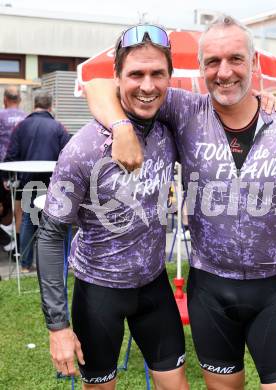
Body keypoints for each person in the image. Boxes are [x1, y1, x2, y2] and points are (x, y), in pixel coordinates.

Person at [86, 16, 276, 389]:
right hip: (210, 294)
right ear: (200, 69)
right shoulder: (185, 110)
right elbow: (99, 84)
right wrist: (122, 129)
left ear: (255, 65)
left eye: (236, 59)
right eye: (212, 62)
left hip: (274, 291)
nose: (224, 72)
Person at [37, 25, 188, 390]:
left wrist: (271, 103)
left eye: (157, 74)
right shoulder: (84, 148)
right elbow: (50, 234)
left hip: (154, 285)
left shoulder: (168, 124)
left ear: (169, 77)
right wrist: (58, 326)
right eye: (136, 74)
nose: (148, 86)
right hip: (98, 292)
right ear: (118, 77)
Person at [4, 92, 69, 273]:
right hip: (52, 181)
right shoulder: (58, 127)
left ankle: (25, 265)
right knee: (53, 220)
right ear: (50, 106)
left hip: (28, 179)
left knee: (27, 219)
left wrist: (6, 178)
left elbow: (11, 154)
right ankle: (53, 263)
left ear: (35, 105)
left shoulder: (21, 126)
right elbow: (68, 154)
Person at [0, 86, 26, 251]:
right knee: (19, 205)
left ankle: (7, 236)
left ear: (4, 100)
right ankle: (17, 241)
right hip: (22, 167)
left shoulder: (0, 116)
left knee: (3, 202)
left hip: (2, 165)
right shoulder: (26, 117)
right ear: (20, 100)